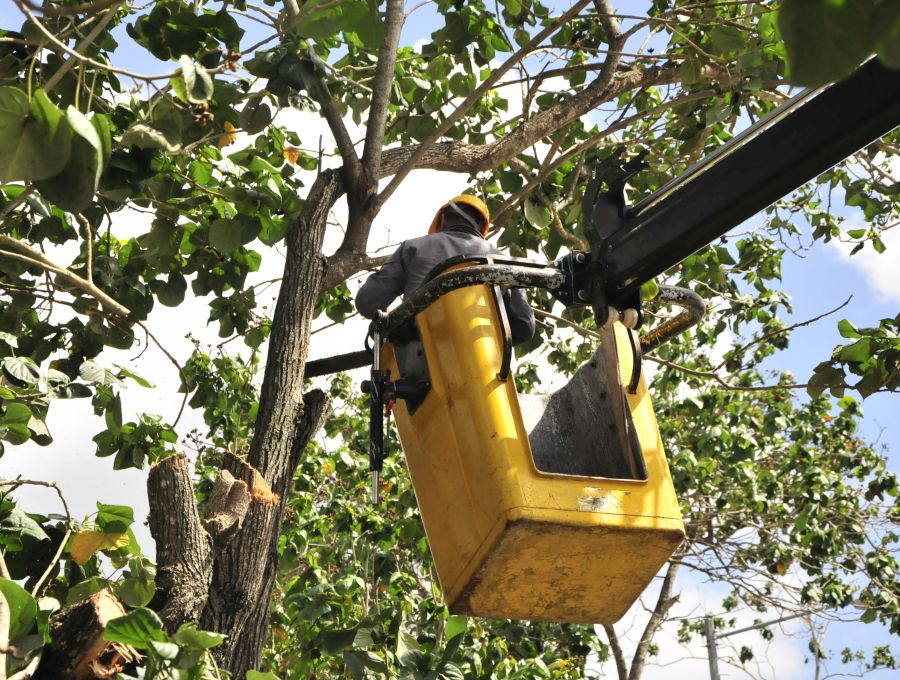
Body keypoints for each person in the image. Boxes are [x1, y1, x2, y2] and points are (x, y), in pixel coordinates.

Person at [355, 195, 536, 345]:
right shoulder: (503, 263)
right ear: (482, 230)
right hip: (485, 369)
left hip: (418, 366)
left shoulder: (414, 247)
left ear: (442, 219)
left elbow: (367, 302)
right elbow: (524, 327)